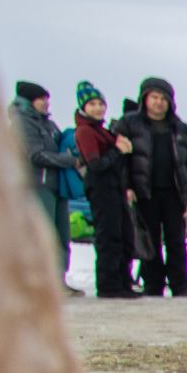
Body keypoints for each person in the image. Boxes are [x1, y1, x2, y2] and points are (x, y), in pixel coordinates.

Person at [115, 76, 187, 298]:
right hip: (144, 192)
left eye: (163, 99)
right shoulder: (129, 124)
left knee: (176, 240)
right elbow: (121, 161)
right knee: (150, 240)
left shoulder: (182, 130)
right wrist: (126, 186)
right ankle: (153, 283)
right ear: (145, 99)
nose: (159, 103)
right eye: (154, 97)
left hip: (175, 192)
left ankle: (180, 284)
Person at [8, 80, 79, 291]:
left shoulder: (48, 124)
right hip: (38, 186)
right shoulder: (22, 122)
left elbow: (59, 147)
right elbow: (35, 155)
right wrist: (67, 159)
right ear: (30, 100)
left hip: (57, 186)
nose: (47, 103)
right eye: (42, 99)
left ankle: (58, 280)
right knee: (44, 235)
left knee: (61, 235)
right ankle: (39, 282)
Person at [71, 82, 138, 299]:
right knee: (109, 236)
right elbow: (96, 164)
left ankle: (123, 282)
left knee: (124, 235)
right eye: (92, 104)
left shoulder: (101, 130)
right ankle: (109, 285)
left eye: (101, 103)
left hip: (114, 187)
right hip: (101, 188)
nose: (98, 108)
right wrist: (117, 151)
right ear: (83, 107)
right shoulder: (85, 131)